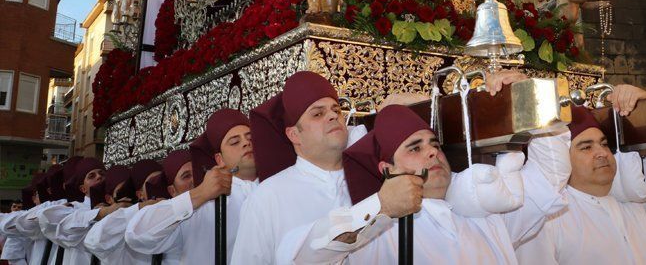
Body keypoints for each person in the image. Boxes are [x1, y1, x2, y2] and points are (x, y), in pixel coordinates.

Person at [337, 104, 567, 264]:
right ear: (388, 169)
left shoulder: (485, 213)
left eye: (435, 145)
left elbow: (550, 176)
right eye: (415, 148)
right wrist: (383, 207)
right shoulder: (377, 234)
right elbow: (314, 250)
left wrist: (529, 100)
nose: (432, 152)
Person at [231, 71, 415, 264]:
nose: (332, 116)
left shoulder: (375, 175)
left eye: (336, 109)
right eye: (318, 114)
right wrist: (381, 205)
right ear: (294, 134)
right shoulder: (266, 197)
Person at [515, 85, 646, 265]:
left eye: (604, 144)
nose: (602, 153)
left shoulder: (635, 205)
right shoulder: (546, 221)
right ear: (562, 158)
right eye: (586, 147)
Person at [125, 109, 258, 264]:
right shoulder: (201, 204)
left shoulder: (275, 188)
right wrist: (200, 194)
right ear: (219, 159)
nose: (246, 143)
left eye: (250, 138)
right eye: (235, 141)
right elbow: (136, 235)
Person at [40, 157, 107, 265]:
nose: (99, 177)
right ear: (83, 189)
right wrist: (98, 213)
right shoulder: (74, 208)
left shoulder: (117, 208)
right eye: (91, 176)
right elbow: (46, 219)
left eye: (102, 174)